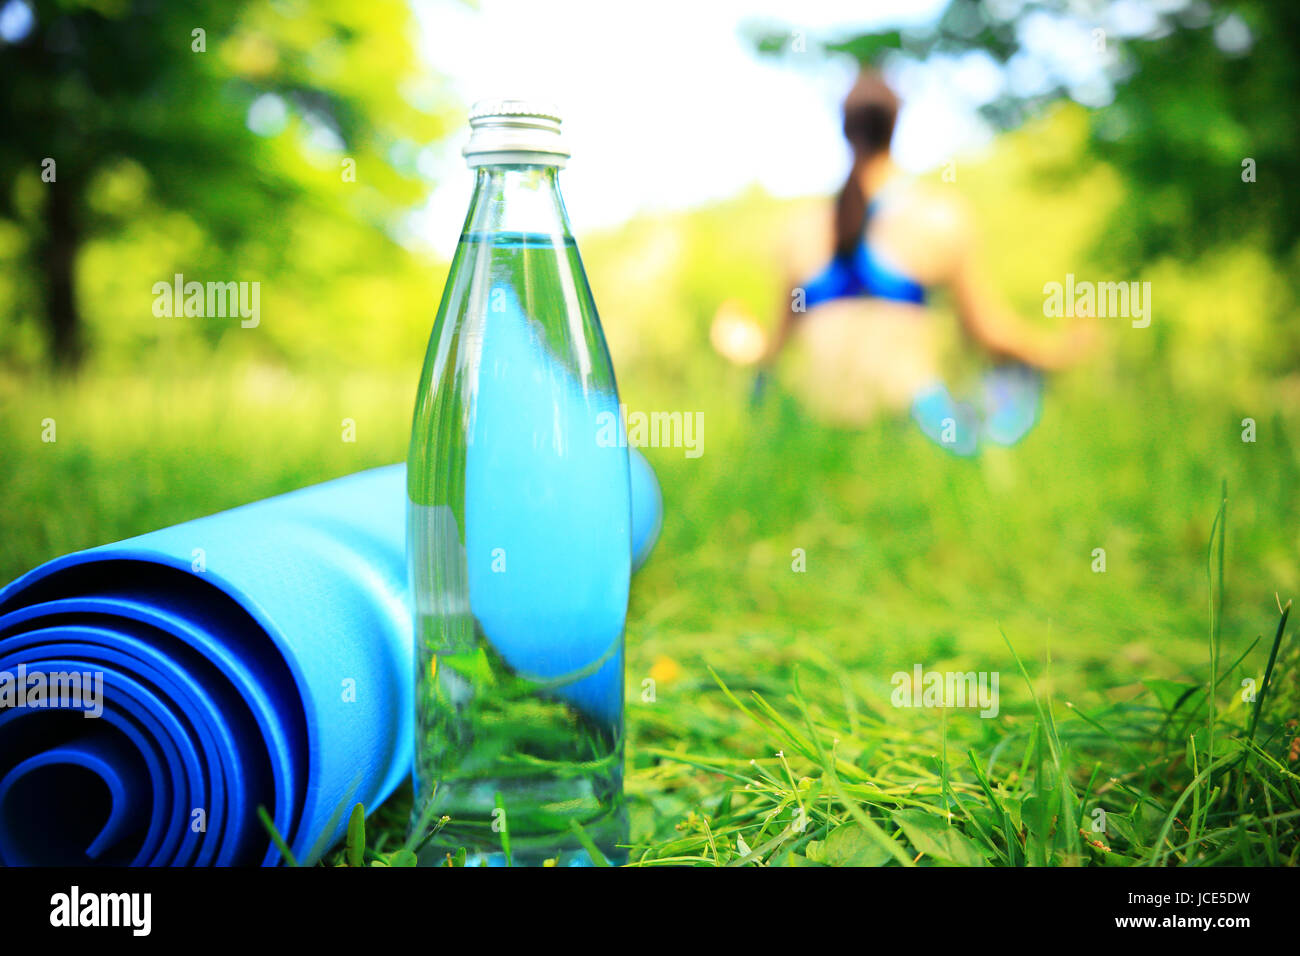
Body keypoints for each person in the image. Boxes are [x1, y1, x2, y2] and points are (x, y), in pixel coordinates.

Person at [711, 69, 1094, 454]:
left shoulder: (801, 229)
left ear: (845, 131)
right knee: (1011, 384)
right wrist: (1056, 355)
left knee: (763, 392)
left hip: (821, 430)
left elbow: (772, 351)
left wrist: (740, 342)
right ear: (895, 127)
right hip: (916, 424)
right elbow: (987, 334)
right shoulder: (938, 218)